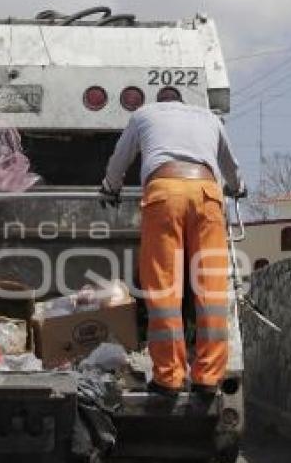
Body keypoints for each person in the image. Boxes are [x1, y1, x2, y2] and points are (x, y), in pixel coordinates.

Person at [100, 100, 245, 397]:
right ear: (181, 101)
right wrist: (239, 186)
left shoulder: (144, 114)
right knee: (211, 289)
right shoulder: (209, 117)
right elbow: (231, 167)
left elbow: (120, 158)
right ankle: (207, 377)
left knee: (164, 289)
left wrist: (110, 186)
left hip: (164, 193)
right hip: (207, 194)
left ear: (160, 99)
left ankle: (169, 377)